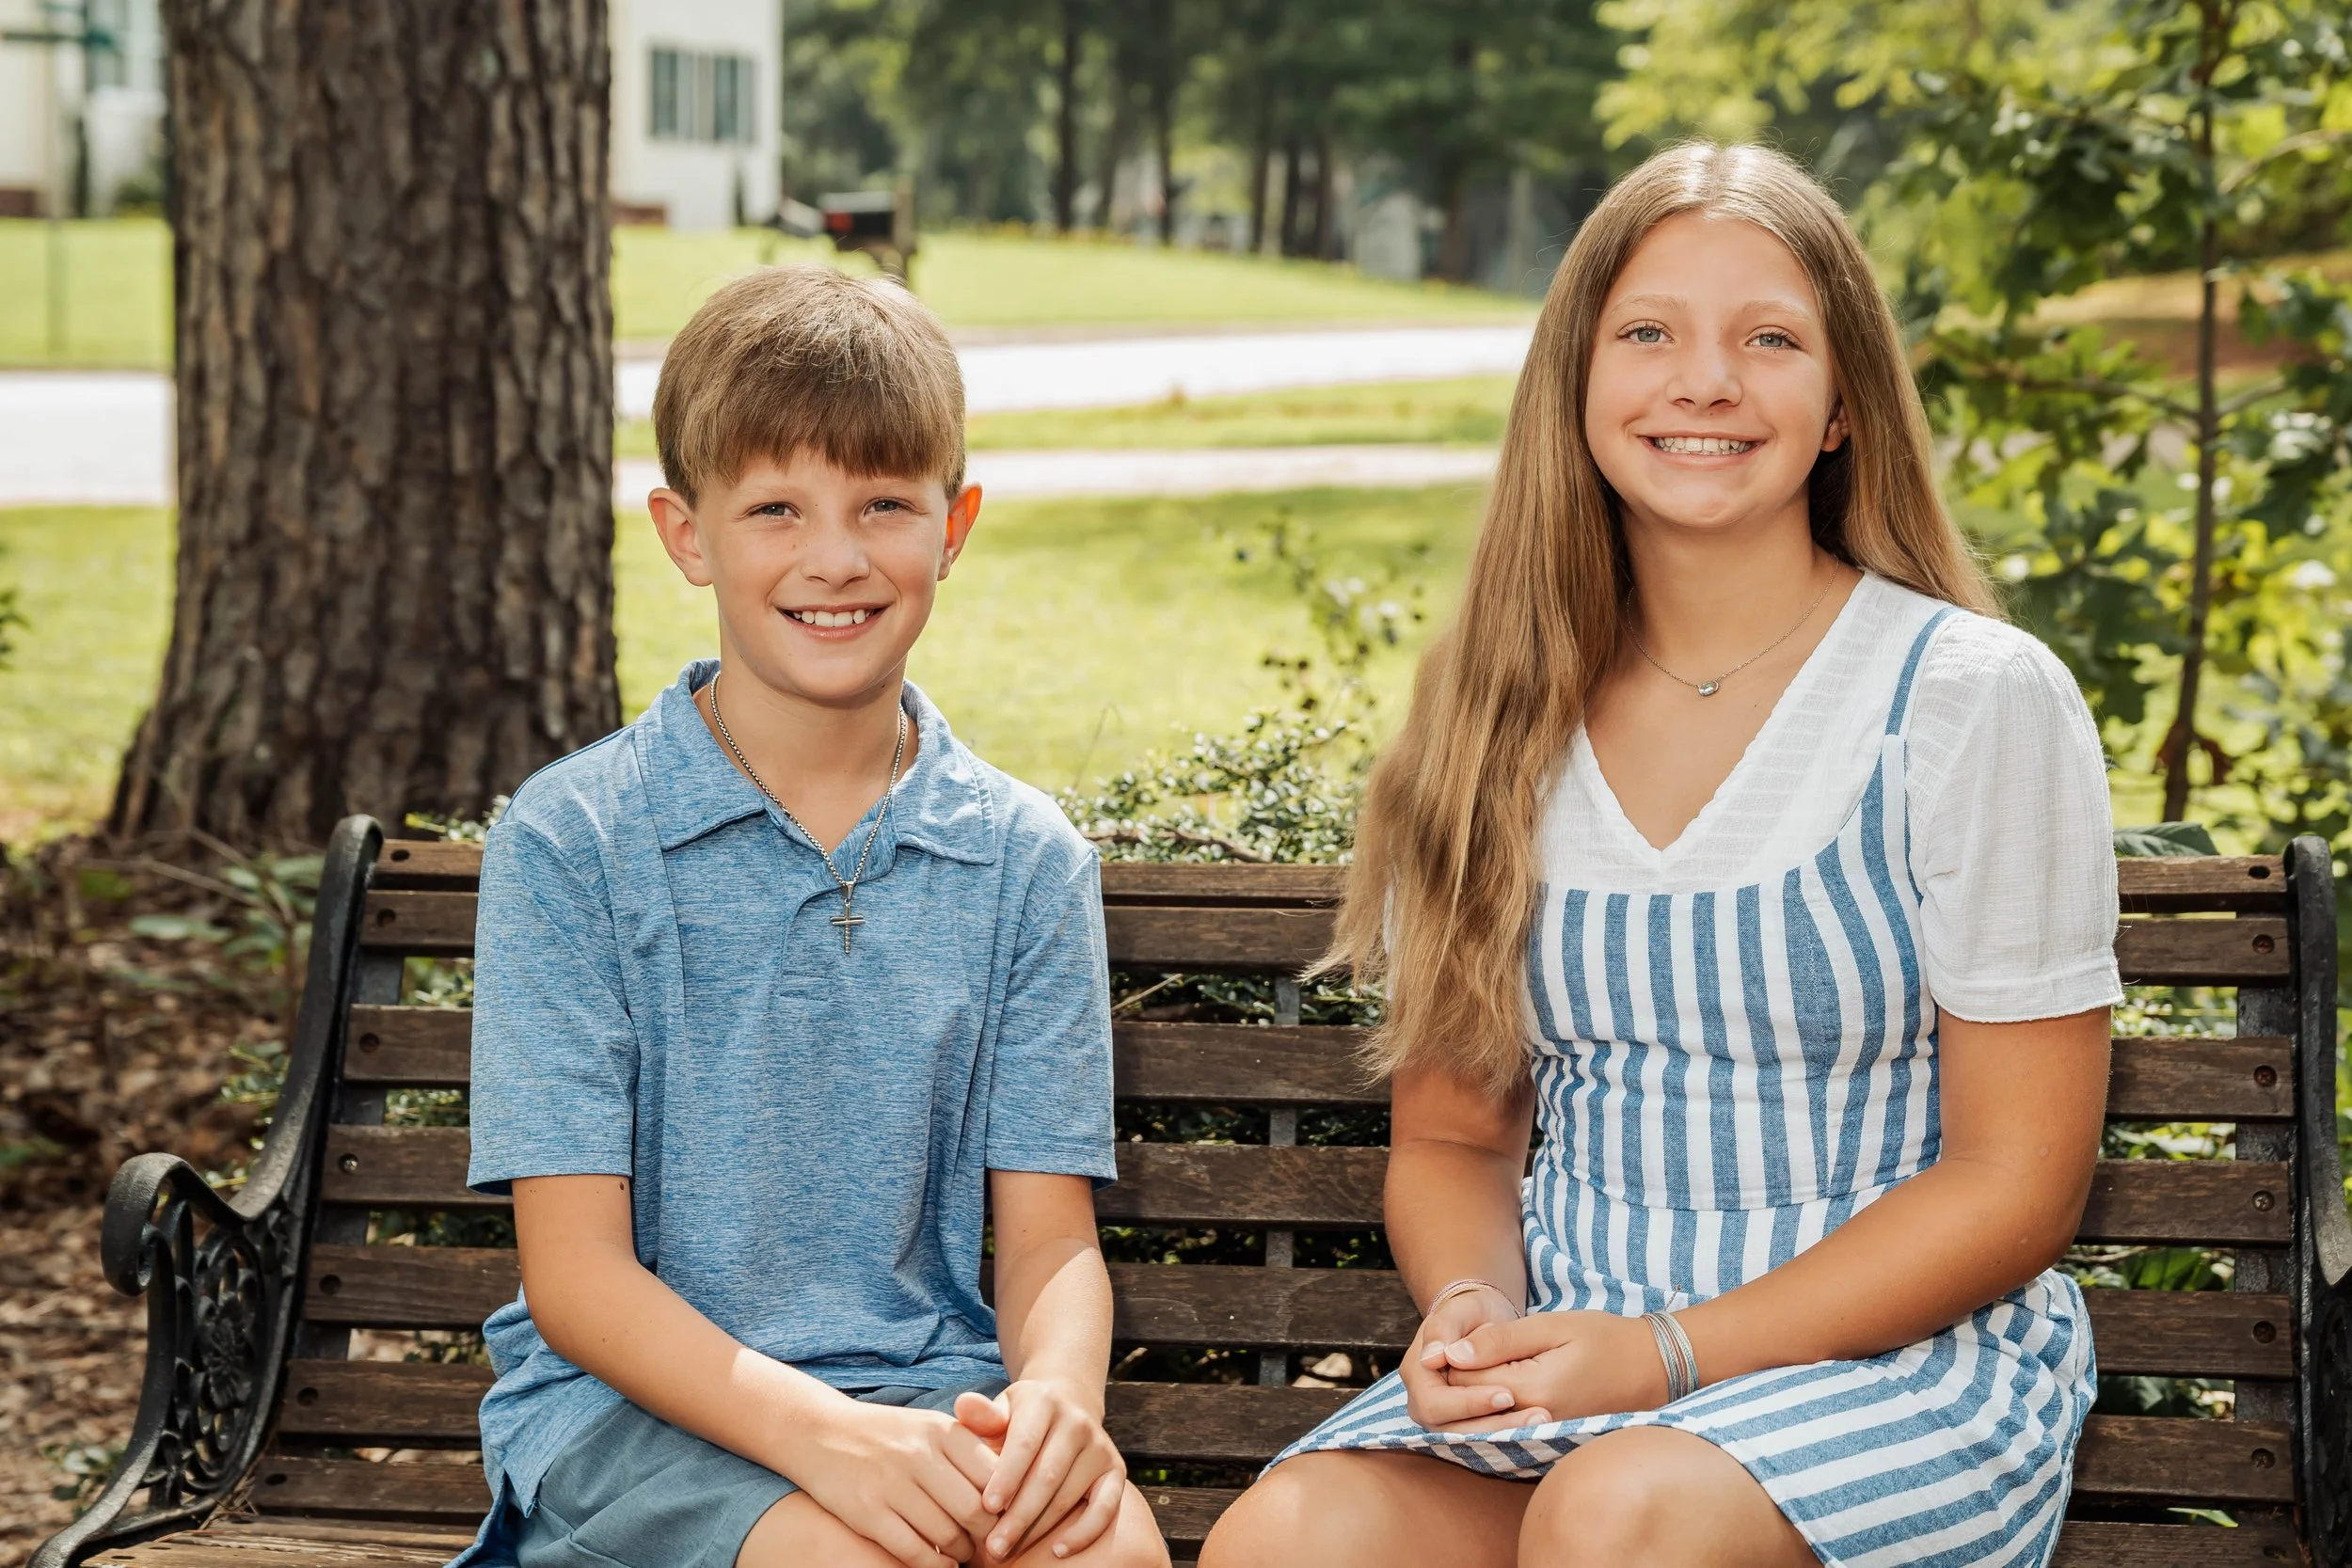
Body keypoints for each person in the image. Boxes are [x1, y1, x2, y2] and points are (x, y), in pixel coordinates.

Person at [1202, 143, 2118, 1568]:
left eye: (1770, 338)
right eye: (1649, 332)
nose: (1706, 382)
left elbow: (2017, 1180)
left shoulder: (1965, 699)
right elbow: (1454, 1135)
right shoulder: (1495, 706)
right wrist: (1470, 1314)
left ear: (1840, 411)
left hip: (1890, 1371)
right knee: (1295, 1536)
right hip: (1576, 1366)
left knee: (1616, 1512)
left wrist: (1675, 1353)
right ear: (1577, 382)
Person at [447, 266, 1168, 1568]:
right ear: (685, 534)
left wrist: (1057, 1403)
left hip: (928, 1395)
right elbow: (577, 1279)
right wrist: (828, 1443)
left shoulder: (1022, 859)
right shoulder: (576, 840)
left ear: (954, 525)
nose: (836, 557)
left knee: (1106, 1556)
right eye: (776, 506)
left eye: (884, 504)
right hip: (633, 1418)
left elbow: (1051, 1239)